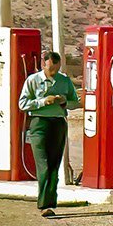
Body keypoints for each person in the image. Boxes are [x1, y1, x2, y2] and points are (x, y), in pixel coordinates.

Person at [17, 51, 80, 217]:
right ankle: (44, 203)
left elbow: (76, 102)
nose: (53, 72)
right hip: (40, 122)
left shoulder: (64, 81)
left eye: (56, 69)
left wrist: (64, 101)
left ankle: (51, 202)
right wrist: (43, 101)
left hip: (58, 122)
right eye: (50, 68)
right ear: (44, 64)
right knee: (43, 164)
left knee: (54, 164)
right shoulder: (32, 80)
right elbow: (23, 104)